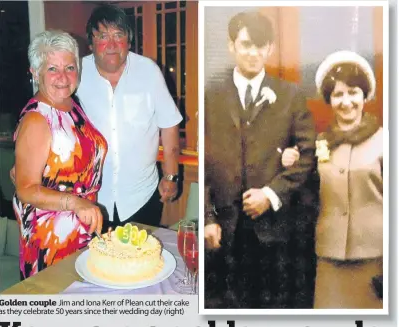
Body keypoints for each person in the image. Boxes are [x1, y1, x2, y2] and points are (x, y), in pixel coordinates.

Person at [204, 11, 318, 309]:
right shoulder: (211, 95)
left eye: (260, 45)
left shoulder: (291, 96)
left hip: (276, 233)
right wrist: (207, 218)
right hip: (224, 232)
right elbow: (203, 163)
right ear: (232, 46)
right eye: (245, 44)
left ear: (269, 49)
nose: (253, 53)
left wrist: (270, 194)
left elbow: (307, 154)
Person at [77, 4, 182, 229]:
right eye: (103, 36)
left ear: (129, 41)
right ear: (91, 43)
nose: (112, 45)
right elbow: (51, 111)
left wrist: (171, 175)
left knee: (140, 260)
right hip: (92, 197)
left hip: (142, 197)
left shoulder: (148, 71)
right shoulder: (77, 73)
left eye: (118, 35)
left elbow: (169, 124)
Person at [13, 30, 107, 279]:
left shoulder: (71, 105)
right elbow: (25, 188)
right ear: (36, 72)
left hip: (80, 229)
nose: (63, 78)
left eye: (70, 67)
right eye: (52, 69)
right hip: (51, 240)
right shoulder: (37, 118)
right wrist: (76, 202)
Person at [312, 50, 383, 308]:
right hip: (329, 260)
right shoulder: (320, 144)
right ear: (329, 100)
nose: (346, 101)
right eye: (338, 94)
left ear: (365, 96)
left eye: (353, 92)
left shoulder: (386, 142)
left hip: (377, 261)